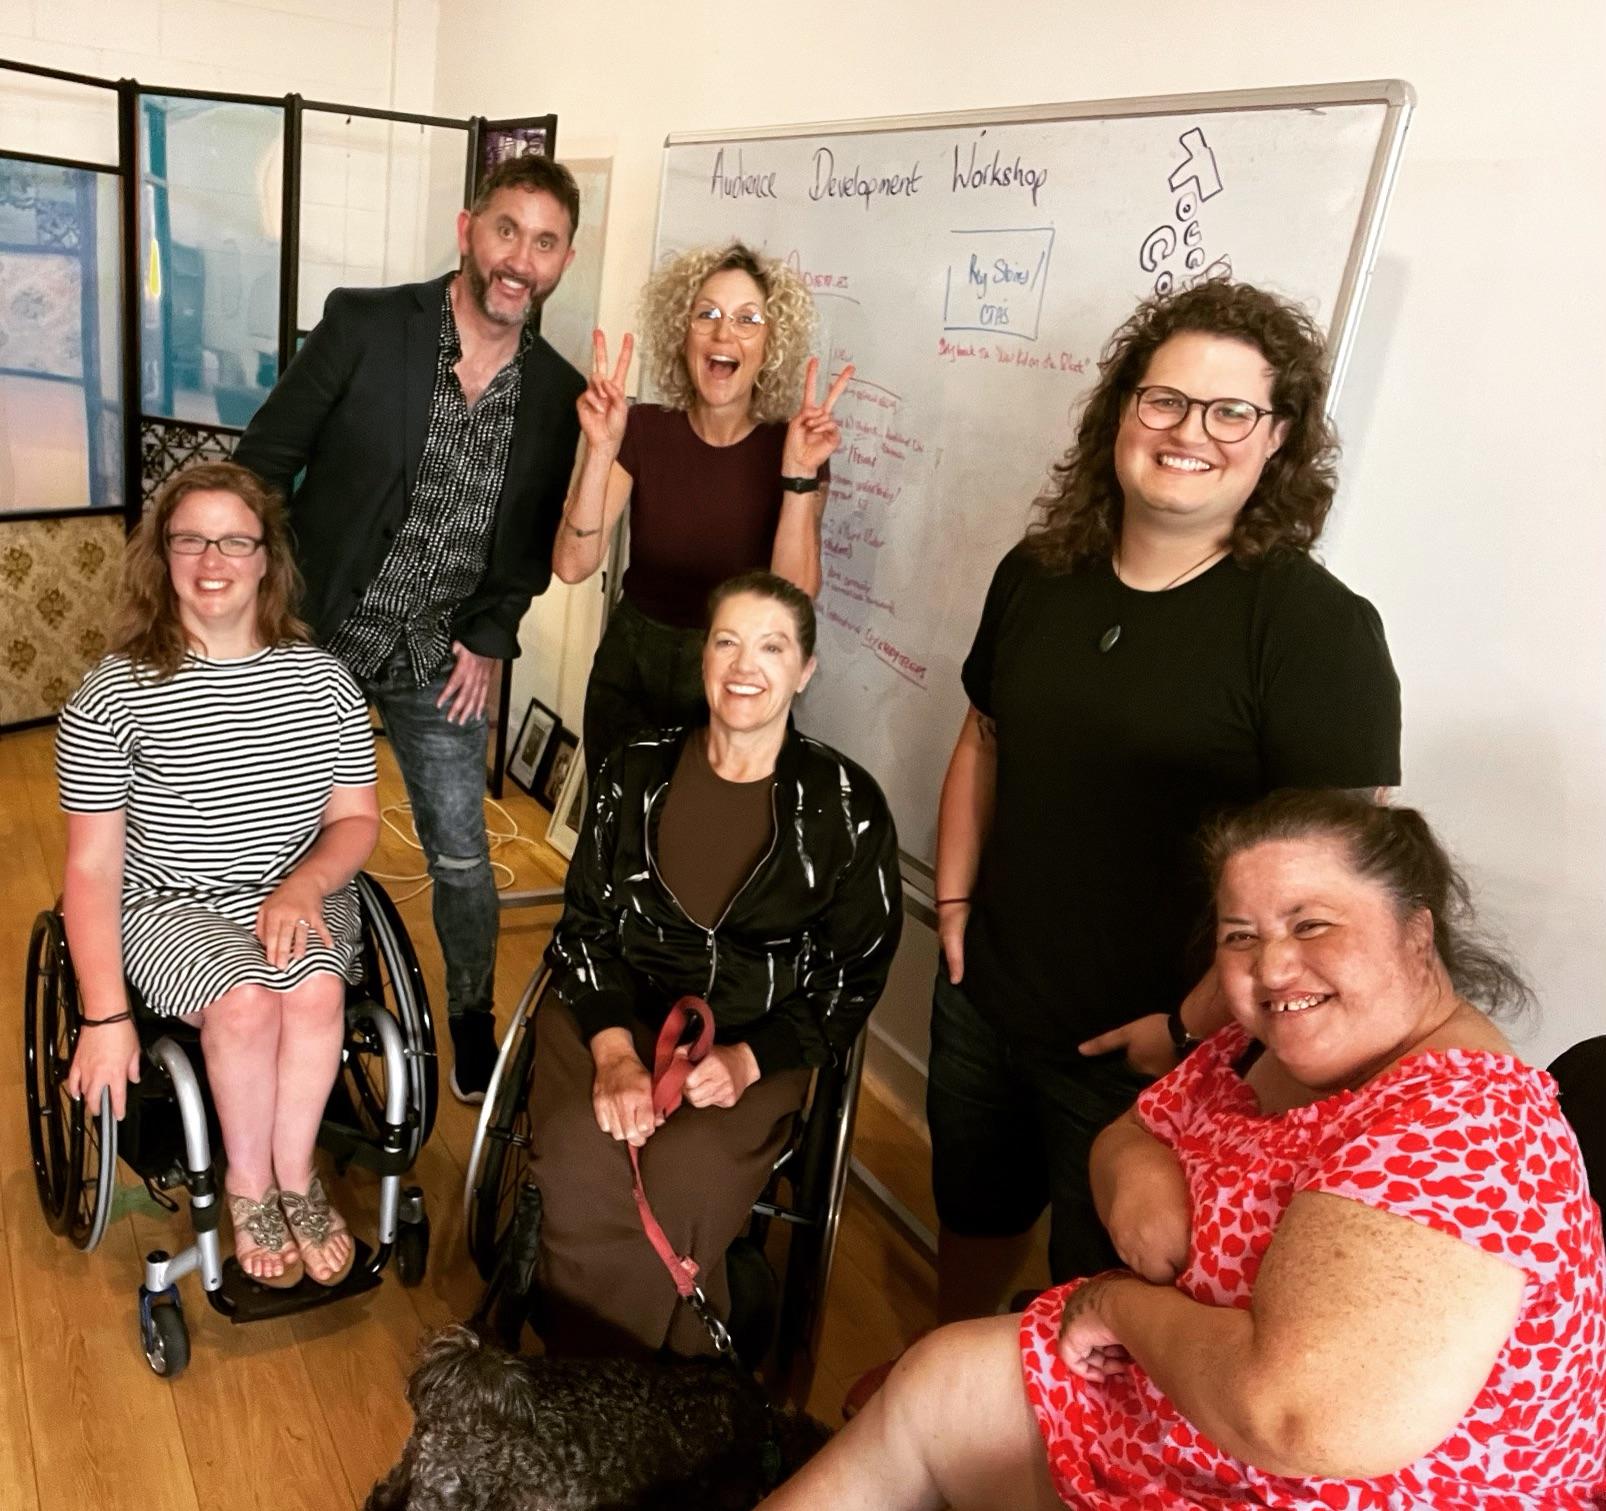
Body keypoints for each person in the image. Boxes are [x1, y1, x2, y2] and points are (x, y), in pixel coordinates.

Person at [763, 790, 1606, 1510]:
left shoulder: (1464, 1125)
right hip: (1178, 1415)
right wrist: (1133, 1166)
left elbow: (1292, 1418)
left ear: (1416, 933)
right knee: (930, 1384)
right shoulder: (1268, 1044)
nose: (1273, 965)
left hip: (1293, 1480)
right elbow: (1136, 1125)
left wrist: (1114, 1306)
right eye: (1241, 934)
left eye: (1312, 923)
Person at [922, 279, 1404, 1334]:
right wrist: (951, 907)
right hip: (986, 995)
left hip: (1154, 1055)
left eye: (1231, 411)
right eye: (1165, 401)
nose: (1191, 432)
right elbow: (981, 735)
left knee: (1096, 1295)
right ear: (1120, 413)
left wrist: (1186, 1026)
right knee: (969, 1209)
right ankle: (936, 1365)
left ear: (1278, 440)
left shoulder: (1312, 631)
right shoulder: (1038, 572)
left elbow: (1326, 892)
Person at [233, 154, 586, 1104]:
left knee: (464, 854)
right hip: (317, 636)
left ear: (562, 259)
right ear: (468, 227)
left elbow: (525, 549)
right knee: (290, 836)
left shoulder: (558, 395)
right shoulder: (366, 323)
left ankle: (470, 1008)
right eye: (507, 229)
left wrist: (493, 632)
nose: (521, 258)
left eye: (544, 242)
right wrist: (248, 599)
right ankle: (308, 989)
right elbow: (262, 463)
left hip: (440, 659)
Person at [530, 570, 901, 1356]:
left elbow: (853, 973)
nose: (744, 665)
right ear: (703, 656)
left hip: (757, 1038)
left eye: (772, 647)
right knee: (576, 1148)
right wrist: (613, 1053)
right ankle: (579, 1362)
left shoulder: (844, 805)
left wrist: (749, 1057)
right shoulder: (634, 770)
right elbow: (587, 925)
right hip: (611, 1006)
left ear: (804, 670)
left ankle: (648, 1384)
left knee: (688, 1177)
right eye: (728, 640)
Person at [59, 462, 381, 1289]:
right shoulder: (113, 694)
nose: (213, 559)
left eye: (234, 540)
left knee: (311, 991)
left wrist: (307, 882)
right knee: (244, 1000)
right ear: (161, 557)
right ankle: (247, 1185)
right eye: (190, 539)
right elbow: (92, 869)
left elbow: (355, 819)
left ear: (266, 557)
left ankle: (295, 1170)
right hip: (168, 903)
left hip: (294, 885)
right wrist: (103, 1015)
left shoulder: (324, 680)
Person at [551, 242, 852, 781]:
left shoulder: (793, 448)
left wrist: (800, 474)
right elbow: (573, 565)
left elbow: (794, 598)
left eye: (747, 319)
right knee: (614, 841)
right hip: (632, 668)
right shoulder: (641, 429)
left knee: (700, 847)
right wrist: (600, 449)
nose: (723, 333)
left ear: (770, 346)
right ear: (682, 333)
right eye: (706, 314)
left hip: (734, 682)